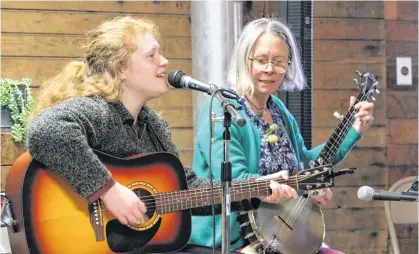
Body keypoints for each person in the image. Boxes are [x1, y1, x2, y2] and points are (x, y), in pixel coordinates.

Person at [26, 16, 297, 254]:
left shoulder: (152, 123)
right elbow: (46, 130)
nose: (164, 61)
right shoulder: (97, 110)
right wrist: (108, 191)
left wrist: (257, 190)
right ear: (121, 68)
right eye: (151, 55)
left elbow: (186, 189)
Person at [188, 18, 375, 253]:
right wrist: (293, 186)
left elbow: (306, 164)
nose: (269, 69)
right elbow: (235, 181)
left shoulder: (278, 110)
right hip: (232, 240)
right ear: (244, 60)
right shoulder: (222, 109)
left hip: (282, 235)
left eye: (278, 62)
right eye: (261, 60)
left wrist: (353, 130)